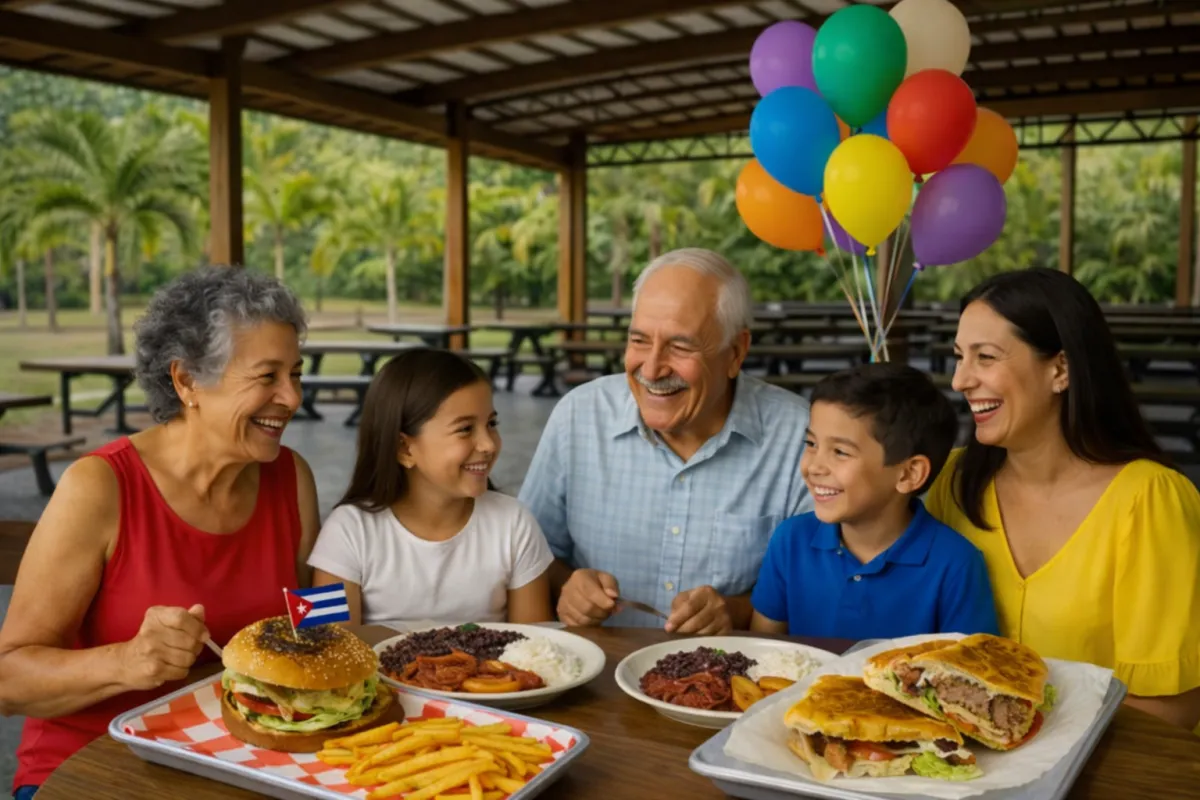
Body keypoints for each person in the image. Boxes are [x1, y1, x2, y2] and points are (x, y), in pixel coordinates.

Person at [0, 266, 320, 798]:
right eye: (268, 377)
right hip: (92, 769)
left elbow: (309, 614)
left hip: (240, 760)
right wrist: (126, 661)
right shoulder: (100, 487)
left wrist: (346, 603)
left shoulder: (290, 477)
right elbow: (9, 680)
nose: (292, 397)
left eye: (297, 373)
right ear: (187, 381)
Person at [925, 267, 1200, 732]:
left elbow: (1170, 712)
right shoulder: (947, 480)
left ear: (1060, 368)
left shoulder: (1150, 501)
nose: (960, 380)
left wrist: (1014, 729)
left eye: (985, 357)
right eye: (958, 357)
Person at [518, 248, 813, 634]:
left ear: (736, 352)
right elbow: (529, 553)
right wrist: (567, 585)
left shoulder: (798, 436)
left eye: (680, 346)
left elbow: (816, 591)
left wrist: (737, 611)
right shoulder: (579, 415)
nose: (652, 368)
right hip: (595, 673)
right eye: (639, 341)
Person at [749, 363, 999, 640]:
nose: (814, 466)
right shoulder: (790, 541)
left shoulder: (956, 565)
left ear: (908, 473)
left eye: (840, 452)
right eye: (811, 444)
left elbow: (970, 673)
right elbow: (764, 653)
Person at [309, 348, 554, 627]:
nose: (488, 444)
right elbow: (322, 652)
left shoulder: (515, 523)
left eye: (491, 423)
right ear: (404, 448)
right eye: (465, 429)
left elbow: (537, 648)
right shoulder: (345, 532)